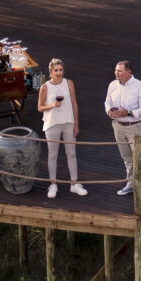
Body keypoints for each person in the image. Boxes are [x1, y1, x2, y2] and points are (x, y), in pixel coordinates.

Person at [104, 58, 141, 204]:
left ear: (128, 72)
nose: (116, 73)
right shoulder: (112, 85)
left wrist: (129, 112)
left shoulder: (139, 86)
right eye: (115, 70)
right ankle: (131, 185)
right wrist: (109, 111)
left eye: (119, 71)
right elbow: (107, 102)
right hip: (117, 126)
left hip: (134, 127)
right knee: (126, 158)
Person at [39, 57, 86, 199]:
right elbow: (40, 107)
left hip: (68, 122)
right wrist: (52, 105)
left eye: (61, 70)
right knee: (52, 154)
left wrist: (76, 122)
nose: (59, 73)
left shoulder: (69, 83)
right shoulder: (45, 87)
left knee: (71, 153)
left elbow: (74, 103)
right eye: (56, 70)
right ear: (50, 72)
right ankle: (53, 184)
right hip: (52, 123)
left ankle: (74, 183)